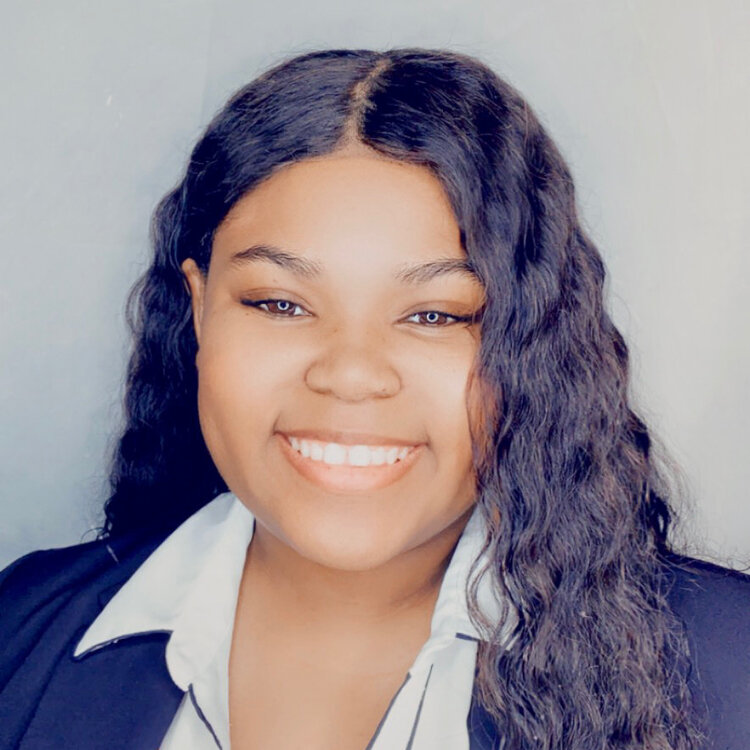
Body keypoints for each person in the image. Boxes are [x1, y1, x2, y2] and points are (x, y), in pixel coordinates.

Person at [0, 47, 748, 750]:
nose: (351, 375)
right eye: (279, 303)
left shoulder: (729, 665)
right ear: (199, 310)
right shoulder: (22, 627)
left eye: (436, 315)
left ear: (534, 342)